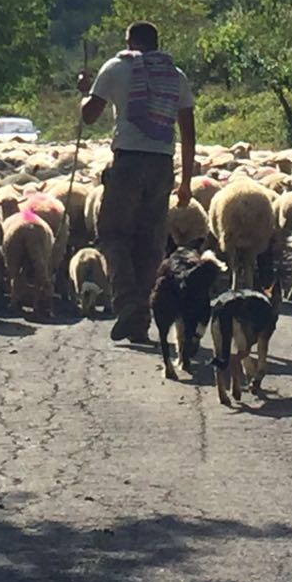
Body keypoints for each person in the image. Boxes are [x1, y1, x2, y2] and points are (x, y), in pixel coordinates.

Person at [77, 21, 196, 342]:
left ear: (129, 42)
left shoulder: (116, 67)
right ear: (157, 44)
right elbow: (187, 130)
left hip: (128, 162)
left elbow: (89, 116)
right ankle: (141, 317)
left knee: (113, 235)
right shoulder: (175, 75)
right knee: (150, 242)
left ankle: (128, 302)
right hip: (161, 165)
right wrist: (186, 181)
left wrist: (85, 91)